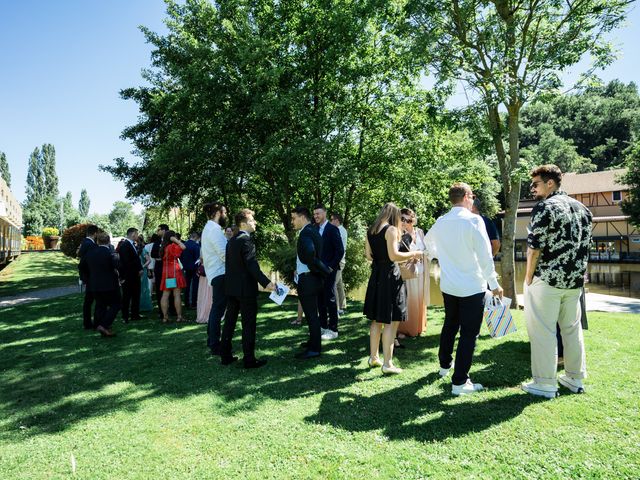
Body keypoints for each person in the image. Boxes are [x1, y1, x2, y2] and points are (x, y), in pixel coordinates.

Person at [423, 183, 503, 395]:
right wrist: (494, 284)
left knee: (450, 324)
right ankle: (459, 382)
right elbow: (486, 257)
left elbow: (426, 242)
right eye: (472, 196)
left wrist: (440, 256)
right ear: (467, 197)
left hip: (449, 284)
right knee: (469, 333)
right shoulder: (474, 220)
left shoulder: (441, 221)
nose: (473, 200)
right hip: (471, 286)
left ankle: (444, 366)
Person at [522, 164, 592, 398]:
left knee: (542, 331)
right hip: (574, 282)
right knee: (571, 330)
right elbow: (586, 248)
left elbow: (534, 248)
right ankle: (575, 378)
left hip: (548, 280)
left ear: (550, 183)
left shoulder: (545, 207)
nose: (532, 189)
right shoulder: (583, 209)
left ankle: (545, 383)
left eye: (536, 184)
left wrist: (528, 277)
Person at [364, 203, 421, 374]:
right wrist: (414, 254)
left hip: (376, 275)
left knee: (376, 319)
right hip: (390, 276)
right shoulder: (391, 230)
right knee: (391, 320)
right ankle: (388, 364)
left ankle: (373, 357)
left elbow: (368, 256)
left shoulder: (370, 230)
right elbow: (394, 255)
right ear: (395, 216)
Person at [220, 209, 275, 368]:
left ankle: (225, 355)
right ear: (243, 223)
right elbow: (252, 266)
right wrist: (267, 283)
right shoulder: (246, 241)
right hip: (245, 290)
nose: (255, 222)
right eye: (252, 220)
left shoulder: (231, 240)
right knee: (248, 324)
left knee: (229, 322)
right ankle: (249, 359)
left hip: (232, 288)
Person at [292, 206, 332, 359]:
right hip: (313, 278)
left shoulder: (306, 232)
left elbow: (309, 253)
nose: (292, 221)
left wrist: (312, 266)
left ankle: (315, 349)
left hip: (308, 278)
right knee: (312, 314)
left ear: (302, 217)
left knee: (311, 315)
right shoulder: (313, 230)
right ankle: (312, 342)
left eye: (294, 218)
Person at [79, 233, 121, 337]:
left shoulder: (90, 253)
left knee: (100, 305)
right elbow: (117, 266)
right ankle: (104, 324)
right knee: (116, 304)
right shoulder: (109, 253)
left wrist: (87, 278)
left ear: (97, 241)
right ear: (109, 241)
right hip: (109, 284)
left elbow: (81, 266)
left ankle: (97, 324)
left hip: (94, 284)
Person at [313, 204, 344, 340]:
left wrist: (331, 267)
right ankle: (323, 327)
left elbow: (340, 250)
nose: (316, 216)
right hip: (317, 270)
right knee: (319, 299)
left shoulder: (332, 229)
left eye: (318, 214)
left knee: (330, 299)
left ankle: (333, 329)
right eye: (314, 214)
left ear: (324, 213)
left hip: (330, 270)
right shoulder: (313, 229)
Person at [201, 202, 228, 355]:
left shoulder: (209, 229)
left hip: (215, 273)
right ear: (218, 213)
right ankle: (214, 343)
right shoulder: (214, 230)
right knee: (218, 308)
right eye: (224, 212)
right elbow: (224, 255)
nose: (226, 216)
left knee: (216, 307)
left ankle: (211, 339)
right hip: (220, 273)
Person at [397, 208, 428, 338]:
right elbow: (397, 254)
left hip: (420, 271)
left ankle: (418, 327)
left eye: (409, 220)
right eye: (403, 219)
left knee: (419, 299)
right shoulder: (399, 234)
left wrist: (422, 256)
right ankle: (403, 330)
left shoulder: (420, 232)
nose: (406, 223)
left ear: (413, 220)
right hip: (407, 272)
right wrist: (411, 257)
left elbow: (427, 250)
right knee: (407, 300)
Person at [160, 230, 187, 322]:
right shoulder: (172, 246)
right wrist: (176, 240)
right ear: (172, 237)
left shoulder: (163, 246)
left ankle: (165, 317)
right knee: (177, 295)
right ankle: (179, 317)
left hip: (166, 272)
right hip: (174, 272)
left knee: (165, 295)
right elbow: (183, 247)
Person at [118, 227, 144, 323]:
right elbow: (125, 262)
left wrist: (139, 268)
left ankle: (135, 314)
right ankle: (125, 316)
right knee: (126, 297)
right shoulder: (125, 245)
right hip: (128, 275)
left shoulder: (132, 244)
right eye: (137, 234)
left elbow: (135, 259)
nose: (137, 236)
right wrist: (137, 269)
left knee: (136, 295)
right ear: (133, 234)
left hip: (135, 275)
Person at [78, 224, 99, 329]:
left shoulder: (84, 242)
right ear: (95, 233)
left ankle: (88, 322)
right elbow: (85, 262)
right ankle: (92, 322)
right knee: (93, 300)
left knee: (89, 300)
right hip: (91, 276)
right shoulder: (90, 244)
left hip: (88, 276)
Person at [330, 213, 348, 314]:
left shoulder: (339, 230)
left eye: (332, 220)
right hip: (341, 261)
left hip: (338, 262)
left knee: (333, 285)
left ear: (337, 221)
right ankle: (342, 306)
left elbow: (337, 248)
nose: (330, 222)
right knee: (339, 285)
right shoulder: (342, 230)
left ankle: (336, 309)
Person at [151, 224, 170, 317]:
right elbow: (153, 254)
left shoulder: (171, 241)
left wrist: (162, 258)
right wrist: (161, 257)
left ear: (164, 230)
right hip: (159, 270)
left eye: (159, 229)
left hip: (169, 269)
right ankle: (161, 311)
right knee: (160, 289)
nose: (157, 231)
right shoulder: (157, 242)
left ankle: (172, 309)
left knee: (171, 288)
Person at [181, 231, 201, 309]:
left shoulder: (184, 245)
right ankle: (193, 303)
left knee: (187, 285)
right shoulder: (196, 246)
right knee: (195, 286)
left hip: (186, 267)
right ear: (196, 237)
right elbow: (198, 258)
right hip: (194, 268)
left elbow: (181, 257)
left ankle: (186, 302)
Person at [138, 234, 153, 312]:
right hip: (136, 271)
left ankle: (144, 306)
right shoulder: (134, 249)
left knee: (143, 288)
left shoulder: (143, 250)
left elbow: (149, 260)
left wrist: (143, 266)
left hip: (142, 271)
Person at [195, 258, 212, 324]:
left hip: (205, 272)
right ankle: (208, 314)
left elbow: (201, 258)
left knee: (204, 294)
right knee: (209, 295)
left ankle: (202, 314)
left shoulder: (203, 248)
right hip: (209, 272)